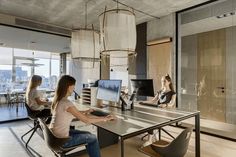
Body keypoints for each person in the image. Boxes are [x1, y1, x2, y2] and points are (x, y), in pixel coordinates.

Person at [49, 75, 115, 157]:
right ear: (69, 86)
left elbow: (73, 112)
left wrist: (85, 111)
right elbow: (86, 120)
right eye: (74, 85)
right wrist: (105, 118)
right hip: (62, 141)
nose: (74, 88)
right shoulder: (67, 103)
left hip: (53, 137)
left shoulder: (59, 100)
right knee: (93, 138)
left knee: (88, 134)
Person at [142, 74, 176, 146]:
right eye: (162, 81)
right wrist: (143, 102)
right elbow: (153, 100)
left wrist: (166, 105)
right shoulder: (160, 91)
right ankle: (154, 133)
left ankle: (150, 140)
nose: (163, 82)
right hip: (157, 111)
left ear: (169, 82)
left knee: (151, 120)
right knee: (148, 117)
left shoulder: (173, 93)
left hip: (166, 113)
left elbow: (172, 103)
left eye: (164, 81)